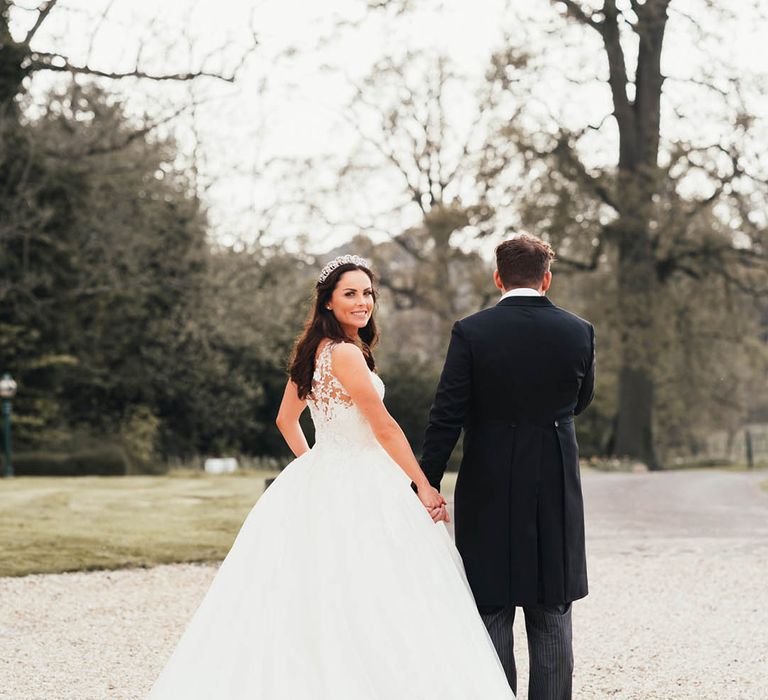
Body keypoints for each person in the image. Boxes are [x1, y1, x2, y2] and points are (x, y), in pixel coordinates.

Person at [145, 254, 515, 699]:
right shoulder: (344, 353)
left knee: (319, 586)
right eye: (350, 294)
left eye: (368, 293)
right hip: (363, 477)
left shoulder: (314, 352)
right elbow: (384, 425)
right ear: (327, 303)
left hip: (326, 473)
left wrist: (313, 464)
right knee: (379, 588)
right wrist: (422, 483)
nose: (363, 302)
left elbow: (286, 420)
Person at [420, 234, 596, 700]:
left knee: (491, 609)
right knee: (551, 611)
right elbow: (579, 402)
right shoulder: (579, 331)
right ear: (547, 278)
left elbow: (447, 414)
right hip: (554, 485)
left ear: (497, 277)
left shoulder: (471, 331)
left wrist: (424, 481)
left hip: (488, 485)